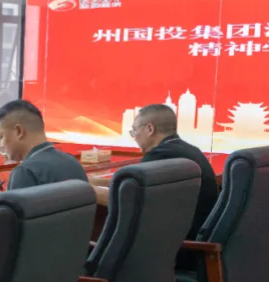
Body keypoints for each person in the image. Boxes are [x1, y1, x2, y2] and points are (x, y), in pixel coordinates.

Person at [93, 104, 218, 243]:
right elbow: (129, 184)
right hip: (192, 235)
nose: (134, 137)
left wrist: (85, 190)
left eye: (134, 130)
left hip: (179, 246)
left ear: (150, 129)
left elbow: (126, 200)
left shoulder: (160, 156)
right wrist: (93, 181)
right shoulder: (186, 150)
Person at [0, 99, 87, 226]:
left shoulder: (26, 171)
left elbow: (9, 225)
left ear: (18, 131)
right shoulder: (73, 163)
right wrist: (8, 198)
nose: (1, 145)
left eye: (1, 136)